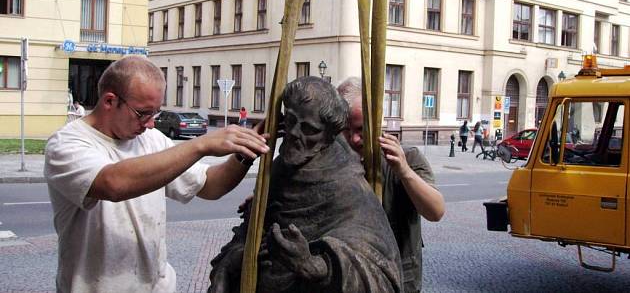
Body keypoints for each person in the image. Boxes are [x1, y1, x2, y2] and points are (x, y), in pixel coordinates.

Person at [44, 56, 270, 293]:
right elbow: (112, 183)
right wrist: (201, 145)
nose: (150, 124)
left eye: (155, 113)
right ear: (110, 101)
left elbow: (212, 185)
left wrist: (247, 151)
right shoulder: (67, 144)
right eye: (143, 113)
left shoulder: (151, 139)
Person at [210, 76, 403, 293]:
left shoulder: (348, 186)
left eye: (309, 129)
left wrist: (315, 266)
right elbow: (249, 234)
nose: (294, 134)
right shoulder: (277, 168)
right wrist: (236, 259)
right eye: (291, 121)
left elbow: (379, 272)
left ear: (330, 135)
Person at [337, 77, 445, 293]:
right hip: (349, 279)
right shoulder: (333, 162)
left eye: (360, 129)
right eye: (344, 130)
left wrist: (404, 171)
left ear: (377, 121)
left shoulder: (408, 157)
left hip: (397, 278)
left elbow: (436, 211)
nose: (354, 139)